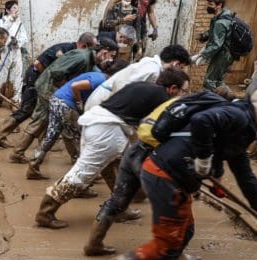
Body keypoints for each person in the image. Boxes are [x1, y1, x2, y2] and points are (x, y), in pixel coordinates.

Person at [84, 84, 257, 260]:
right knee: (165, 245)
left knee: (186, 231)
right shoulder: (238, 117)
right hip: (166, 176)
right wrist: (203, 158)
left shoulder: (240, 121)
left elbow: (245, 176)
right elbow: (202, 121)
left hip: (170, 175)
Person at [35, 68, 190, 230]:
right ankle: (46, 212)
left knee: (118, 168)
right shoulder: (162, 98)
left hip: (101, 124)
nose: (184, 95)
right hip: (107, 130)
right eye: (184, 91)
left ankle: (119, 208)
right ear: (173, 88)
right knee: (82, 174)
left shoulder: (146, 87)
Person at [9, 38, 119, 164]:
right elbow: (57, 73)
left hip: (54, 89)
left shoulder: (89, 59)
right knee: (47, 122)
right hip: (49, 87)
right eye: (111, 56)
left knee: (48, 123)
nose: (111, 60)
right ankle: (19, 154)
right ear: (104, 52)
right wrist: (67, 89)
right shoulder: (82, 57)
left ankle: (26, 155)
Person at [0, 34, 98, 148]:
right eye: (94, 48)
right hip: (36, 78)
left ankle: (43, 143)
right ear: (84, 46)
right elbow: (38, 64)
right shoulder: (64, 50)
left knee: (45, 111)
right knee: (27, 110)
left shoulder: (78, 54)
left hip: (48, 83)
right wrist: (46, 81)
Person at [26, 68, 111, 181]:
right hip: (66, 105)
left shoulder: (98, 76)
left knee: (51, 136)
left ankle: (33, 166)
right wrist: (79, 102)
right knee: (77, 140)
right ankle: (80, 178)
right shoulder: (99, 80)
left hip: (57, 100)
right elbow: (75, 86)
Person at [84, 44, 192, 112]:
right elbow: (125, 87)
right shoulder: (152, 69)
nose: (179, 71)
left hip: (106, 103)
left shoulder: (151, 64)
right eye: (181, 68)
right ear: (176, 64)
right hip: (104, 103)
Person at [193, 0, 238, 91]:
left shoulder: (220, 22)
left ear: (219, 5)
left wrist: (203, 55)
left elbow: (216, 44)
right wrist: (205, 35)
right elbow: (216, 32)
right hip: (228, 54)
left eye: (211, 4)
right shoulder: (225, 16)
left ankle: (212, 101)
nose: (208, 7)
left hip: (223, 55)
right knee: (219, 81)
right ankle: (226, 101)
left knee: (210, 81)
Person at [0, 0, 28, 106]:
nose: (16, 10)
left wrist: (17, 42)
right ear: (7, 10)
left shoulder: (20, 23)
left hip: (16, 52)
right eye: (14, 8)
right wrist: (7, 41)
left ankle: (15, 100)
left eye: (17, 8)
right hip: (3, 52)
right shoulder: (1, 21)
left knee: (16, 76)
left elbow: (24, 37)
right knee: (0, 76)